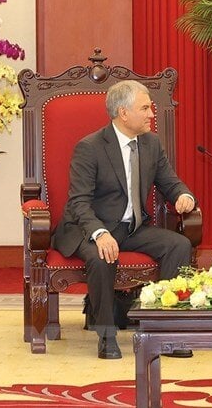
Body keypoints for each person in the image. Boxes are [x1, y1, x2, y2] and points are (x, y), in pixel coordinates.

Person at [52, 80, 197, 360]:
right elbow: (78, 202)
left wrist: (184, 196)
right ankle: (106, 335)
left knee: (179, 245)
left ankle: (165, 332)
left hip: (132, 227)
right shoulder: (90, 147)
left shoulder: (151, 144)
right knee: (102, 255)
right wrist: (99, 233)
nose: (151, 114)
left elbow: (171, 182)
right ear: (123, 113)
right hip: (88, 227)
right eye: (144, 108)